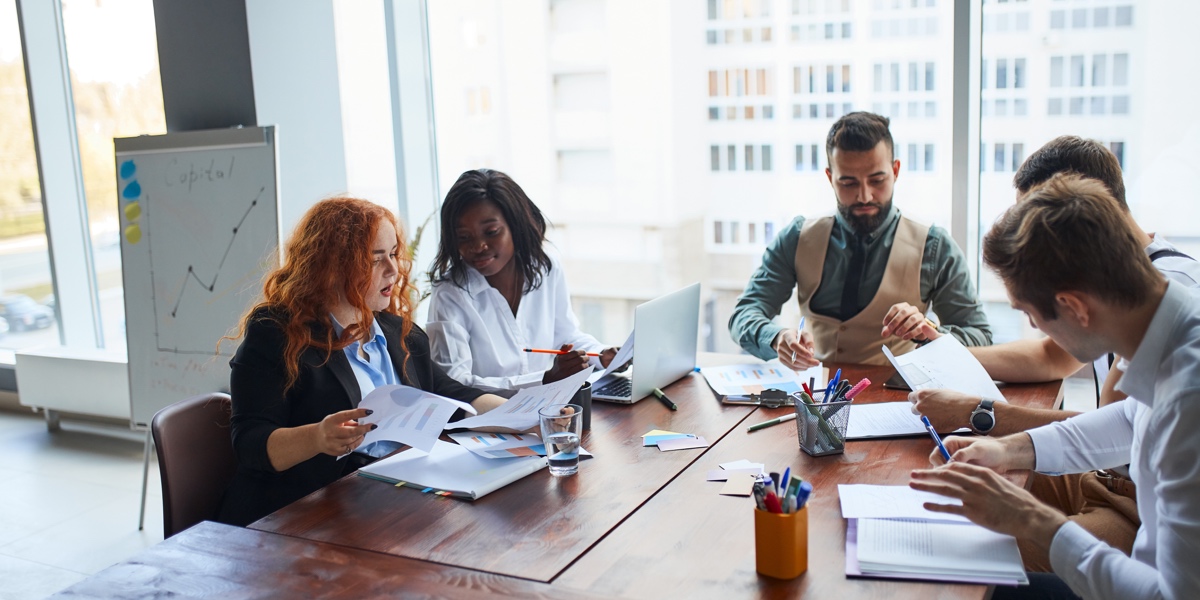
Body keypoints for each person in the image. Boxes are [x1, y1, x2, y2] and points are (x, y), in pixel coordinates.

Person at [910, 137, 1200, 570]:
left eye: (1028, 312)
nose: (1034, 327)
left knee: (952, 559)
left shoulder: (1186, 398)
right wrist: (1008, 449)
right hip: (1109, 483)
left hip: (1130, 508)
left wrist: (1034, 521)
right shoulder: (1162, 319)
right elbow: (1128, 419)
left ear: (1076, 307)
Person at [217, 197, 508, 526]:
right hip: (302, 517)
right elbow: (251, 443)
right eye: (375, 259)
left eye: (394, 255)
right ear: (332, 265)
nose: (394, 271)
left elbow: (454, 394)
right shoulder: (276, 334)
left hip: (388, 501)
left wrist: (523, 414)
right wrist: (318, 437)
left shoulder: (401, 334)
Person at [729, 111, 991, 369]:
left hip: (901, 397)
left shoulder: (935, 247)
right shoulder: (797, 238)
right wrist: (776, 338)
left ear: (896, 171)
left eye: (877, 180)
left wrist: (928, 331)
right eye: (848, 183)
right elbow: (744, 313)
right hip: (815, 400)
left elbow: (980, 337)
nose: (865, 196)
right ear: (830, 178)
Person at [425, 169, 620, 392]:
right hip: (486, 420)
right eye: (464, 237)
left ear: (515, 226)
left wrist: (601, 355)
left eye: (491, 232)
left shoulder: (546, 267)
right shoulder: (450, 293)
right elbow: (455, 383)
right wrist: (545, 379)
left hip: (546, 409)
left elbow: (565, 335)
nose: (478, 246)